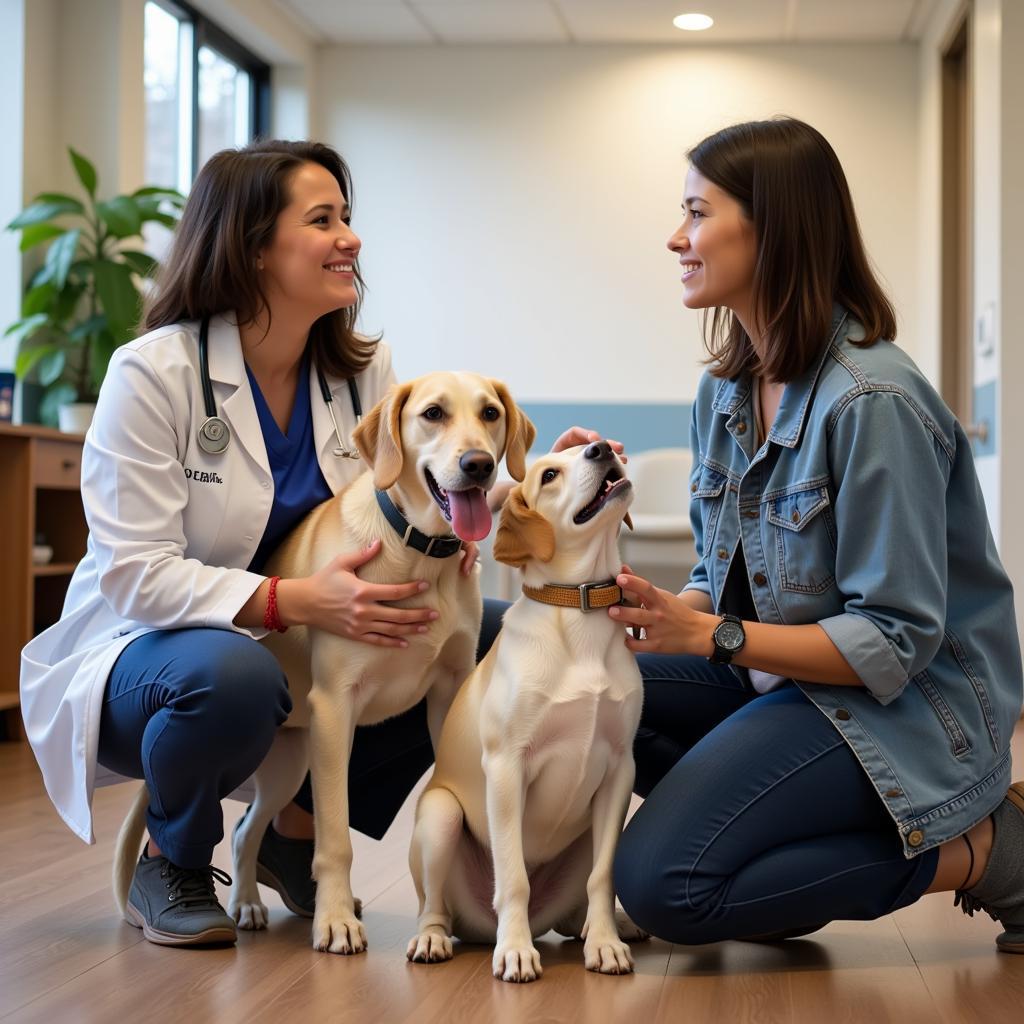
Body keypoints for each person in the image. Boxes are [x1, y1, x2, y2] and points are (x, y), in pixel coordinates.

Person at [19, 139, 505, 947]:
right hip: (151, 656)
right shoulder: (153, 374)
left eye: (347, 217)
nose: (350, 237)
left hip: (303, 637)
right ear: (251, 248)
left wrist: (565, 478)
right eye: (323, 220)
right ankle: (172, 860)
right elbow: (135, 577)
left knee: (476, 631)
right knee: (232, 669)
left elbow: (423, 482)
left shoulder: (359, 370)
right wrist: (291, 601)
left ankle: (294, 831)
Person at [608, 118, 1024, 953]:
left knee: (666, 888)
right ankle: (763, 863)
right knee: (578, 673)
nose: (675, 236)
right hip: (778, 678)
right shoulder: (724, 393)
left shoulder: (873, 401)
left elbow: (894, 641)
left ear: (774, 227)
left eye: (697, 212)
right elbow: (717, 576)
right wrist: (658, 612)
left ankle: (990, 852)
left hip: (904, 710)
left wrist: (708, 635)